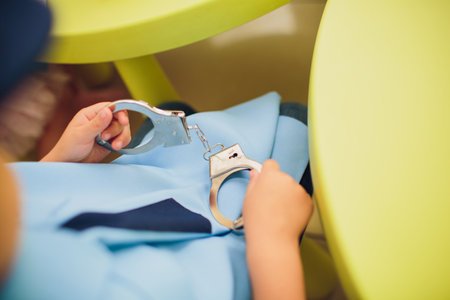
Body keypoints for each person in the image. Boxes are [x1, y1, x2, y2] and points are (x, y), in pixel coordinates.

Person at [0, 0, 313, 299]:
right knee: (295, 121)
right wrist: (274, 242)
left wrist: (60, 163)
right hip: (238, 257)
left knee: (174, 111)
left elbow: (30, 198)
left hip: (135, 195)